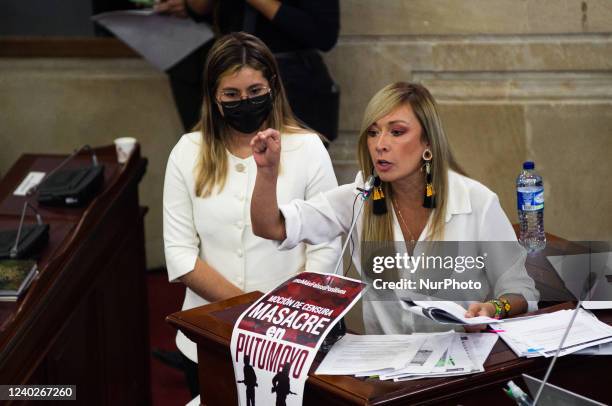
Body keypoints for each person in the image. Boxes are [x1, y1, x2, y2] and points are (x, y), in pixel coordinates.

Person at [249, 82, 540, 334]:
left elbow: (522, 292)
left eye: (397, 132)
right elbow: (269, 226)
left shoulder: (477, 202)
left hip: (460, 370)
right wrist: (267, 172)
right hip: (385, 376)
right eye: (373, 133)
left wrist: (493, 307)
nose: (380, 144)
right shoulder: (359, 197)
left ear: (427, 141)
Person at [162, 32, 341, 396]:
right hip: (211, 335)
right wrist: (249, 312)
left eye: (255, 92)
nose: (245, 102)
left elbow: (326, 244)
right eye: (232, 95)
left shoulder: (308, 148)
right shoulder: (187, 151)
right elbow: (180, 254)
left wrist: (286, 315)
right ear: (214, 95)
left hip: (294, 336)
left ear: (272, 86)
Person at [155, 0, 340, 142]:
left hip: (292, 84)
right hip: (227, 74)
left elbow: (324, 35)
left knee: (292, 168)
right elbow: (199, 9)